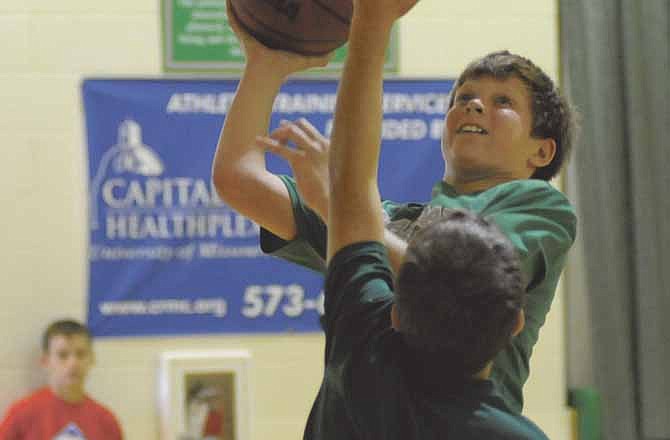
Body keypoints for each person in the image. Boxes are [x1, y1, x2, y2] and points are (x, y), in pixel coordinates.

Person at [212, 0, 577, 414]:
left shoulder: (539, 207)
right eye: (464, 96)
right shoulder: (387, 220)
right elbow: (238, 179)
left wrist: (340, 212)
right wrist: (266, 63)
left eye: (503, 102)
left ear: (542, 151)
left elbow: (468, 296)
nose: (473, 105)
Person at [0, 319, 123, 440]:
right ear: (46, 361)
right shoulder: (22, 414)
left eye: (80, 354)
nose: (73, 363)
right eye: (63, 355)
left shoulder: (106, 421)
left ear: (92, 359)